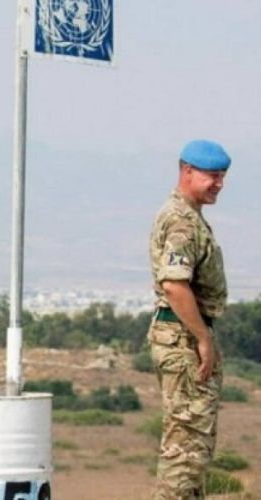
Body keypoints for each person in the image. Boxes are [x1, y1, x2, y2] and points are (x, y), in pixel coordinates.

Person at [147, 139, 230, 499]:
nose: (219, 184)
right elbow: (174, 284)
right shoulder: (181, 220)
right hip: (183, 338)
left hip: (182, 335)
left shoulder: (188, 216)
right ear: (187, 171)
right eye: (212, 176)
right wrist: (203, 338)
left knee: (194, 447)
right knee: (185, 448)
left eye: (222, 176)